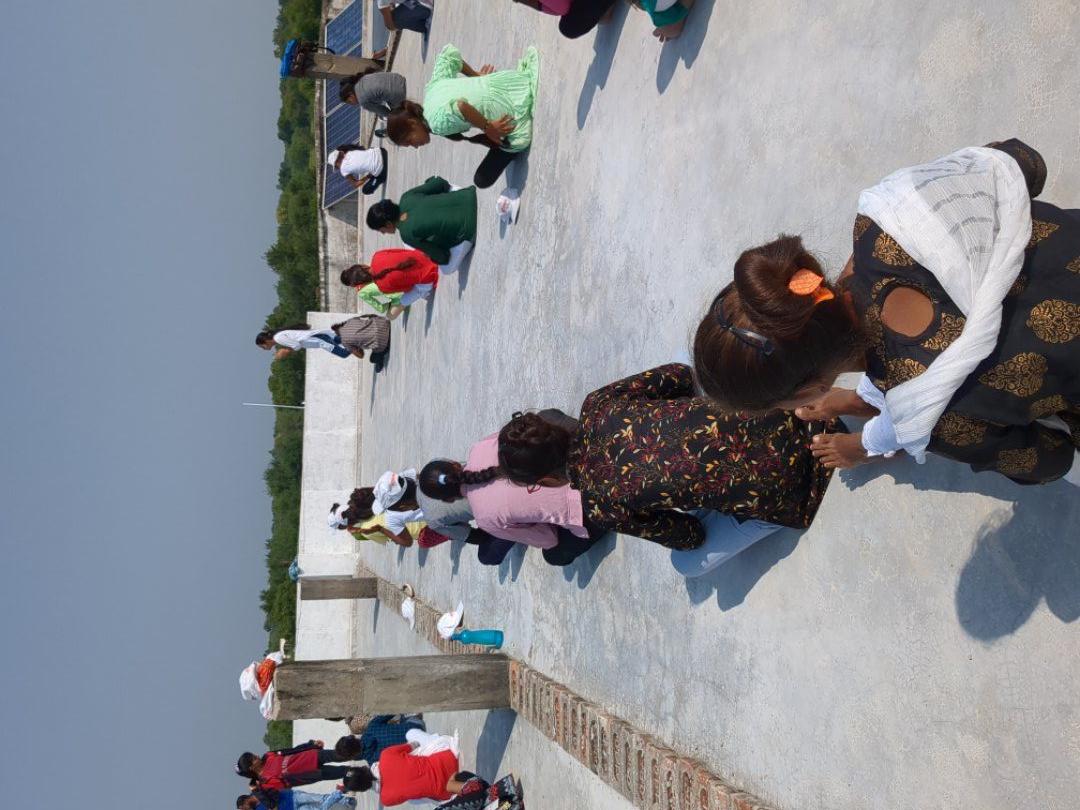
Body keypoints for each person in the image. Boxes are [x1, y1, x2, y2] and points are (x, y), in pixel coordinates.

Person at [692, 140, 1080, 486]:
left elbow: (1052, 458)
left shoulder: (927, 414)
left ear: (810, 392)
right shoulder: (888, 213)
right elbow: (1024, 162)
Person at [496, 366, 842, 549]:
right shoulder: (598, 404)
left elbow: (689, 536)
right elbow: (680, 375)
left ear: (545, 480)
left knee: (687, 565)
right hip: (791, 407)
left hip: (797, 486)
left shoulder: (601, 506)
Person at [418, 409, 602, 566]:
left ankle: (602, 516)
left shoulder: (485, 520)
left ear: (448, 499)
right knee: (546, 416)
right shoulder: (479, 447)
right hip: (574, 460)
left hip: (591, 505)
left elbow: (549, 538)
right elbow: (525, 434)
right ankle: (590, 446)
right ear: (454, 463)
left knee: (553, 555)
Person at [385, 42, 539, 189]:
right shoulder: (431, 90)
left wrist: (488, 127)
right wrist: (476, 76)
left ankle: (510, 144)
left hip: (513, 105)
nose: (415, 146)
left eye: (409, 141)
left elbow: (460, 106)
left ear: (412, 123)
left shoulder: (436, 124)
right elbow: (448, 56)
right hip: (510, 82)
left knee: (481, 180)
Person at [366, 178, 476, 273]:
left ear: (388, 224)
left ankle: (467, 242)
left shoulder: (406, 234)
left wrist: (430, 256)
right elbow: (440, 182)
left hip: (468, 225)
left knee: (446, 269)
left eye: (381, 230)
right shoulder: (406, 197)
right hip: (468, 196)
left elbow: (443, 257)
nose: (383, 233)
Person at [340, 730, 466, 807]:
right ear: (362, 768)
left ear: (363, 788)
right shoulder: (385, 756)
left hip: (448, 791)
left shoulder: (386, 799)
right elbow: (413, 745)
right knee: (411, 734)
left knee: (412, 799)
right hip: (449, 759)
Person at [256, 318, 391, 371]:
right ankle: (370, 335)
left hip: (320, 340)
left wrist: (285, 352)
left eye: (262, 346)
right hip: (320, 338)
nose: (264, 349)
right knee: (343, 339)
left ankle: (363, 339)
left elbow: (296, 345)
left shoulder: (278, 338)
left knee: (343, 353)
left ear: (265, 341)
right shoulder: (279, 336)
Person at [329, 472, 424, 546]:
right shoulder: (374, 492)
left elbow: (402, 541)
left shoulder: (367, 530)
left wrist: (380, 529)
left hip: (422, 528)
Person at [340, 249, 440, 319]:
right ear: (362, 266)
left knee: (390, 316)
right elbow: (403, 251)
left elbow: (409, 288)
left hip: (428, 279)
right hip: (425, 254)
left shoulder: (382, 287)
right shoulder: (377, 255)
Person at [236, 740, 350, 790]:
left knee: (344, 753)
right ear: (251, 768)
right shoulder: (266, 782)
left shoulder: (268, 755)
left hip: (313, 755)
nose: (257, 755)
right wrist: (256, 790)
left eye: (254, 755)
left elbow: (292, 750)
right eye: (254, 758)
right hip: (316, 773)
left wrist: (311, 744)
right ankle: (359, 774)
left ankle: (360, 750)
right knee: (346, 772)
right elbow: (283, 790)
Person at [333, 713, 426, 765]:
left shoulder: (374, 763)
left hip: (420, 752)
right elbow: (390, 712)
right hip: (417, 728)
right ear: (352, 737)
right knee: (404, 714)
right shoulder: (371, 727)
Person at [339, 71, 408, 117]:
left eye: (349, 102)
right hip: (400, 79)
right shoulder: (362, 79)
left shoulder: (363, 101)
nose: (352, 104)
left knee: (396, 116)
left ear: (351, 95)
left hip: (400, 93)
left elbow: (385, 112)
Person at [236, 788, 355, 810]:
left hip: (293, 796)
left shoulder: (258, 790)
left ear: (245, 801)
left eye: (243, 808)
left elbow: (275, 793)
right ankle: (339, 792)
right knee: (321, 809)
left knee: (321, 798)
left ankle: (346, 800)